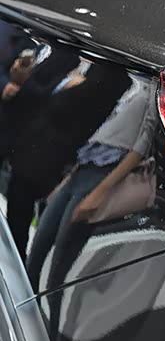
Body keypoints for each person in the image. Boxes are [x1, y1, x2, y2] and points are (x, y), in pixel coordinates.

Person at [26, 76, 158, 323]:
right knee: (39, 245)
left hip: (104, 174)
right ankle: (23, 321)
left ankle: (53, 332)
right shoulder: (133, 83)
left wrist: (101, 191)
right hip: (83, 167)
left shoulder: (154, 90)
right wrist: (66, 181)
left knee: (59, 269)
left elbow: (141, 147)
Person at [5, 57, 130, 262]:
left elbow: (63, 110)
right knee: (18, 223)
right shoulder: (77, 64)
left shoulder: (105, 80)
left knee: (26, 230)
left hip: (49, 161)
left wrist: (68, 85)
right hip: (34, 153)